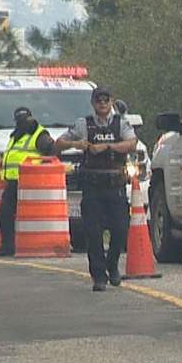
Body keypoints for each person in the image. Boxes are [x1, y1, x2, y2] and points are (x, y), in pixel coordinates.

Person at [55, 85, 136, 291]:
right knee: (93, 232)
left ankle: (113, 264)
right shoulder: (84, 124)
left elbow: (131, 144)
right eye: (98, 100)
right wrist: (78, 143)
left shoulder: (121, 124)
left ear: (111, 101)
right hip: (92, 186)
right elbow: (59, 143)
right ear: (93, 103)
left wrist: (108, 147)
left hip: (115, 185)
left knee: (120, 229)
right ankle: (99, 276)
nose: (102, 103)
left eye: (106, 99)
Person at [0, 106, 55, 256]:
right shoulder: (16, 135)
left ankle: (9, 246)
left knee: (6, 212)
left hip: (29, 181)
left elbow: (51, 152)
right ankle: (11, 245)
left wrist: (41, 170)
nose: (23, 122)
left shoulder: (38, 134)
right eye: (20, 120)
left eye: (25, 119)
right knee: (6, 213)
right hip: (15, 181)